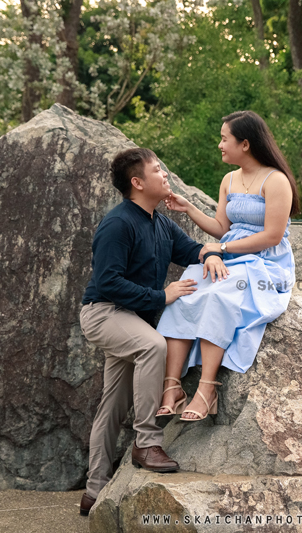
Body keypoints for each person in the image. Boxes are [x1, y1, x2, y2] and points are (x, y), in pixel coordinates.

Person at [77, 147, 227, 516]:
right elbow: (108, 282)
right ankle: (147, 441)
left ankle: (93, 492)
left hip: (132, 319)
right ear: (137, 182)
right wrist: (161, 296)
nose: (165, 175)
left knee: (112, 406)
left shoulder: (159, 222)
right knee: (153, 347)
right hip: (104, 314)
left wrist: (209, 255)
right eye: (157, 170)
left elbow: (190, 248)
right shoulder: (118, 224)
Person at [155, 110, 299, 422]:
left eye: (225, 139)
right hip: (232, 255)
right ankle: (173, 387)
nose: (220, 145)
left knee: (220, 296)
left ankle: (207, 390)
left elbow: (272, 235)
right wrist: (190, 208)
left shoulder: (277, 181)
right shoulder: (229, 180)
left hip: (265, 262)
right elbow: (221, 226)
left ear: (245, 144)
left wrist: (221, 248)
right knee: (188, 289)